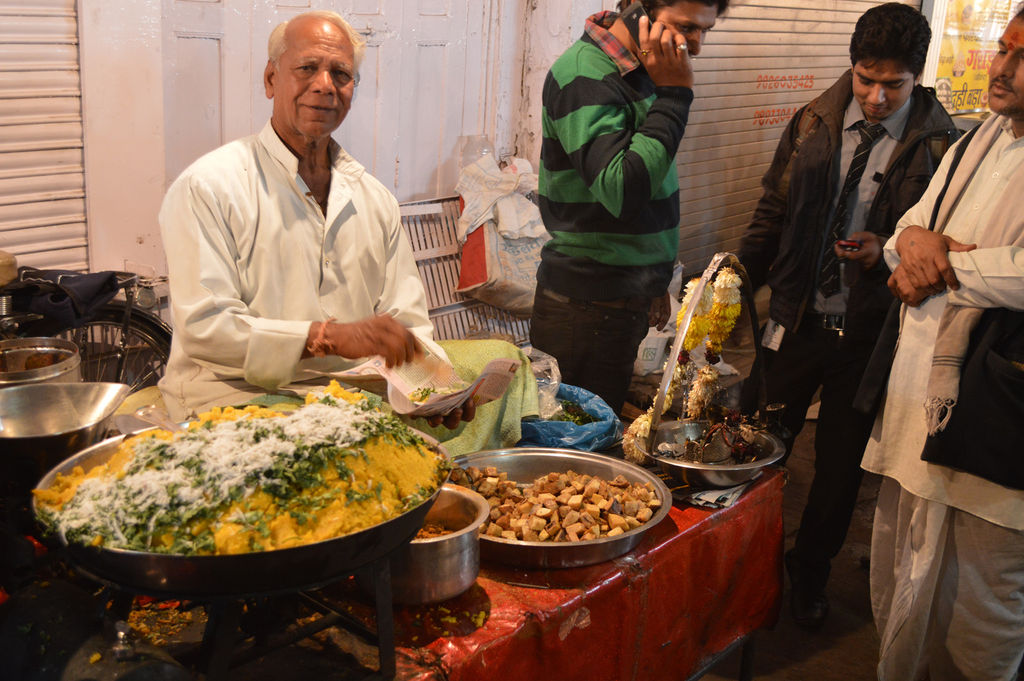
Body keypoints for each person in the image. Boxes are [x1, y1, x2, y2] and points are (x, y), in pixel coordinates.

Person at [737, 3, 958, 629]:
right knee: (755, 449)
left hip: (869, 339)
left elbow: (940, 245)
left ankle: (808, 575)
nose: (877, 96)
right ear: (852, 66)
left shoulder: (944, 146)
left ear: (918, 77)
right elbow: (772, 213)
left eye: (894, 84)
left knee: (837, 472)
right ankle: (744, 569)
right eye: (866, 78)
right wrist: (730, 283)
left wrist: (885, 245)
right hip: (793, 323)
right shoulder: (813, 122)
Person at [158, 10, 473, 429]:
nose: (325, 85)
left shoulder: (374, 199)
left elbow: (407, 323)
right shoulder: (209, 186)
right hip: (230, 402)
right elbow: (206, 327)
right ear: (271, 79)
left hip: (345, 402)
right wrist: (328, 337)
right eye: (308, 68)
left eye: (341, 74)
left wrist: (435, 388)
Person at [862, 7, 1024, 678]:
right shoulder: (980, 139)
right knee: (900, 575)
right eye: (1005, 48)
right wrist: (925, 248)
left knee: (980, 609)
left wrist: (952, 264)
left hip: (997, 431)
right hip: (919, 410)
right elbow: (909, 225)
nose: (1004, 68)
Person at [528, 0, 729, 416]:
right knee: (576, 451)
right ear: (640, 8)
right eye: (687, 27)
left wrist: (653, 279)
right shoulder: (585, 74)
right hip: (585, 311)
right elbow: (621, 189)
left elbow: (653, 173)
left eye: (705, 30)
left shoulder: (641, 68)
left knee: (600, 432)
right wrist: (675, 96)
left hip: (617, 303)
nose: (697, 46)